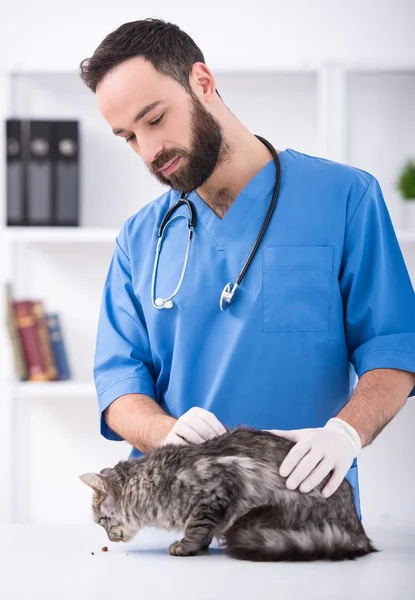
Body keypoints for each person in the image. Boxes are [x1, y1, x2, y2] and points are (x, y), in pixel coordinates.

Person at [79, 18, 415, 520]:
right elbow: (120, 386)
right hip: (177, 523)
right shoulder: (139, 237)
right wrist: (164, 433)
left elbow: (393, 346)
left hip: (303, 519)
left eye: (154, 119)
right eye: (128, 137)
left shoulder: (344, 199)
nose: (148, 152)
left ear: (203, 83)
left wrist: (345, 432)